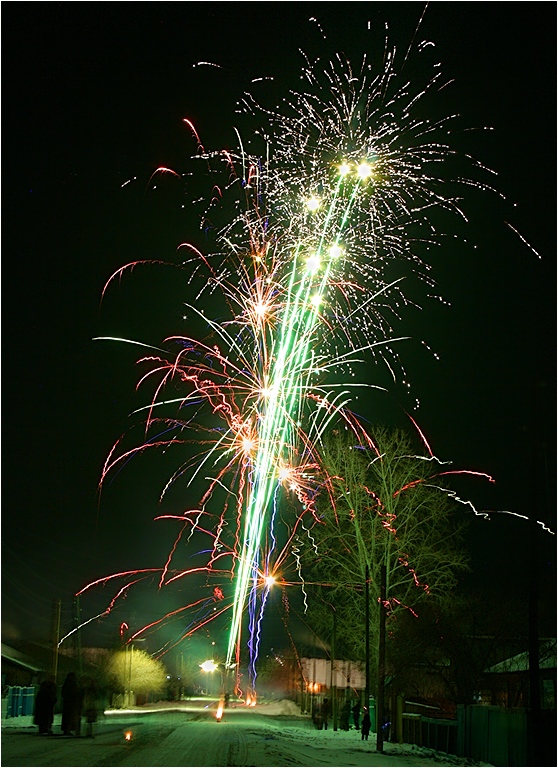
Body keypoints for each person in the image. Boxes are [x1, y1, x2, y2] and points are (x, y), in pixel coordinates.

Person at [61, 672, 83, 736]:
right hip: (72, 703)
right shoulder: (73, 683)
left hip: (69, 703)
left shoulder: (68, 683)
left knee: (69, 717)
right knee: (70, 717)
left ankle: (67, 729)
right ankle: (68, 730)